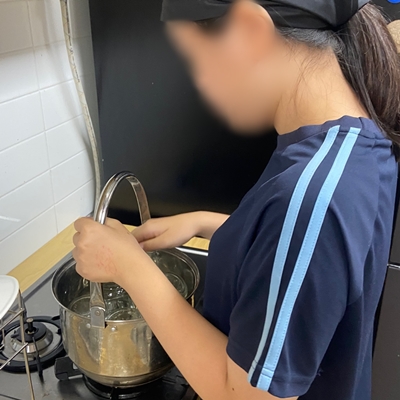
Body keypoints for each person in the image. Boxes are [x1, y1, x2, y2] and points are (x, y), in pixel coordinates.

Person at [72, 1, 400, 399]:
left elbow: (240, 393)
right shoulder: (347, 143)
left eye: (197, 61)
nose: (200, 83)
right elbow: (303, 256)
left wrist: (128, 268)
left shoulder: (312, 197)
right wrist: (205, 222)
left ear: (251, 32)